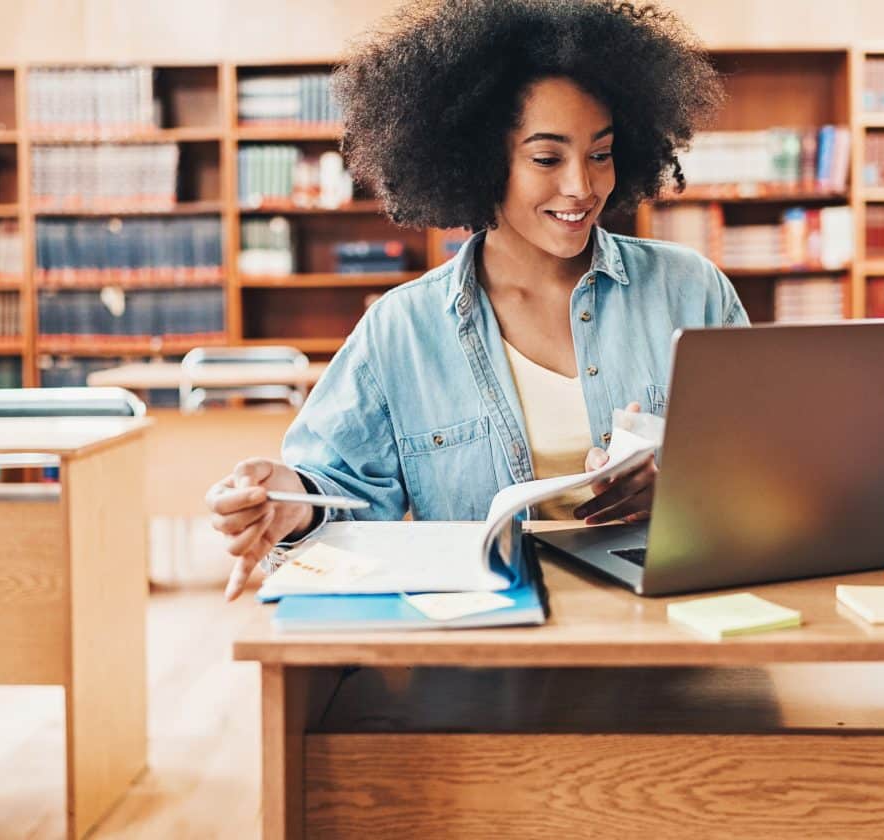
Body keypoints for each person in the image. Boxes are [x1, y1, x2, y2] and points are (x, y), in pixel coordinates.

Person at [208, 0, 749, 600]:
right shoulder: (402, 330)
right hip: (492, 651)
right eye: (547, 158)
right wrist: (291, 504)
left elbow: (769, 470)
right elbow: (340, 496)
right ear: (479, 162)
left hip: (675, 634)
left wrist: (683, 486)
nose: (583, 186)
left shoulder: (691, 291)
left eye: (600, 154)